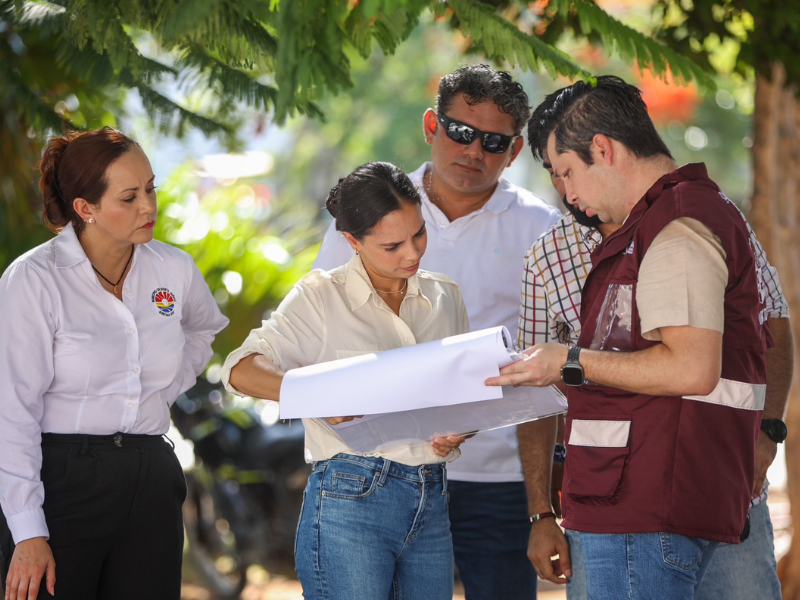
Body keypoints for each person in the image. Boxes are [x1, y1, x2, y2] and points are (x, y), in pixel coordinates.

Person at [488, 76, 773, 598]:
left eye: (567, 172)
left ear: (603, 149)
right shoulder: (671, 221)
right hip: (659, 495)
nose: (568, 193)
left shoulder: (675, 226)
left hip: (643, 506)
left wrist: (568, 361)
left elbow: (690, 367)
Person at [314, 65, 561, 599]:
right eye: (461, 131)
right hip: (380, 466)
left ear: (515, 151)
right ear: (432, 126)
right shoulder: (369, 206)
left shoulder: (542, 229)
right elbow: (321, 324)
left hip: (495, 477)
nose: (474, 151)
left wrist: (543, 504)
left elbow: (555, 360)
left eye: (493, 141)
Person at [220, 161, 469, 600]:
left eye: (419, 234)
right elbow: (239, 369)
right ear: (352, 240)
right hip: (352, 498)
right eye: (392, 245)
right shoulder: (320, 297)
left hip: (432, 497)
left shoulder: (445, 296)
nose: (412, 254)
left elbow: (463, 392)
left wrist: (462, 426)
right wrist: (317, 396)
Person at [0, 127, 229, 600]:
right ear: (85, 208)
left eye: (150, 189)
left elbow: (203, 329)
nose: (148, 206)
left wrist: (162, 387)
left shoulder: (174, 268)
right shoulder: (34, 279)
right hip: (61, 481)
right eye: (129, 197)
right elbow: (12, 410)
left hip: (152, 479)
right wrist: (27, 530)